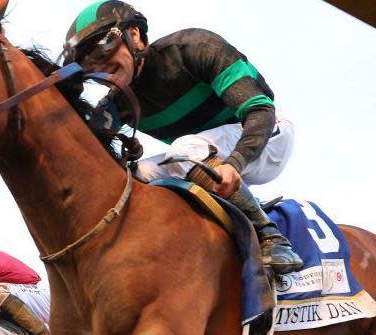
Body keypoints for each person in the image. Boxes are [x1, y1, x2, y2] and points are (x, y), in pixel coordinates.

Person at [62, 1, 302, 274]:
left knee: (185, 149)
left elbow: (259, 109)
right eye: (86, 63)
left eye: (103, 46)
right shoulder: (117, 104)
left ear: (135, 35)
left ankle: (270, 236)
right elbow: (81, 148)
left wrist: (234, 163)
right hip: (205, 157)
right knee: (136, 175)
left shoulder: (193, 48)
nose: (99, 65)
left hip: (267, 136)